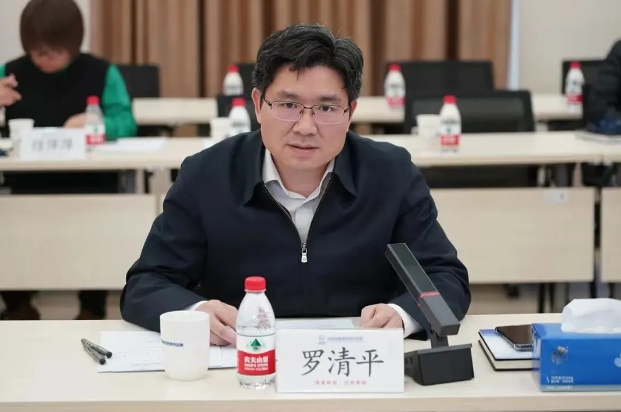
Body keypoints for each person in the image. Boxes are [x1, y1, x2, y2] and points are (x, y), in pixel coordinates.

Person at [120, 23, 470, 344]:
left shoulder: (391, 174)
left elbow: (445, 277)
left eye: (326, 109)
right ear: (258, 105)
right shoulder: (207, 175)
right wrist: (195, 314)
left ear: (350, 113)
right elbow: (146, 284)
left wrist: (403, 315)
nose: (305, 127)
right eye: (288, 104)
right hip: (243, 360)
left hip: (358, 361)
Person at [0, 0, 137, 321]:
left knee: (94, 231)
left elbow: (126, 122)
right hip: (26, 185)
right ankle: (18, 305)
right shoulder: (10, 73)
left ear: (73, 46)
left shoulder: (101, 71)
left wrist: (98, 125)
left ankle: (91, 306)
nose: (45, 60)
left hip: (91, 182)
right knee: (11, 229)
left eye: (55, 53)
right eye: (38, 53)